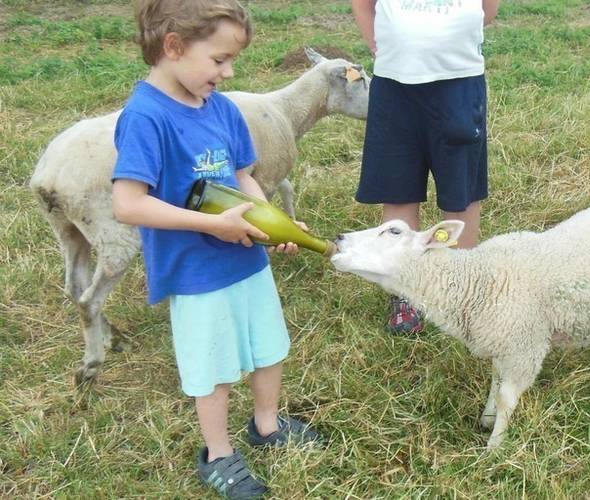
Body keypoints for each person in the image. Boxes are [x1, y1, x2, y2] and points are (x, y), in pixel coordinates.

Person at [111, 1, 322, 497]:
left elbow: (244, 176)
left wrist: (275, 222)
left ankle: (267, 424)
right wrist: (210, 225)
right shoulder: (145, 117)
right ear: (174, 46)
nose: (227, 73)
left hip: (246, 258)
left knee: (269, 346)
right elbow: (128, 204)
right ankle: (219, 455)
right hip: (196, 271)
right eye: (219, 59)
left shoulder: (223, 109)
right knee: (214, 365)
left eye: (233, 61)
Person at [350, 0, 501, 335]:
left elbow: (488, 9)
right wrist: (382, 46)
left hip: (459, 83)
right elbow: (363, 5)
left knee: (460, 192)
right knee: (398, 187)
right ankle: (406, 289)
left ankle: (462, 286)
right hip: (394, 87)